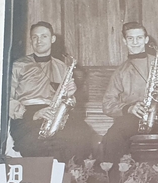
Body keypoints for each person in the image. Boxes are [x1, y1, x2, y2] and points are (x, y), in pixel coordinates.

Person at [101, 22, 158, 166]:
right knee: (112, 137)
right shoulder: (120, 71)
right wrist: (128, 108)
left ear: (146, 39)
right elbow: (107, 104)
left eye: (139, 38)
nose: (135, 42)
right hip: (133, 117)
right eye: (130, 38)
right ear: (124, 41)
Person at [9, 21, 94, 162]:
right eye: (35, 37)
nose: (39, 41)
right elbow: (6, 100)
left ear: (52, 39)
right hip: (27, 116)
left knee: (82, 134)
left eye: (44, 36)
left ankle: (70, 179)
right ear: (30, 40)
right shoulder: (18, 65)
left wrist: (71, 94)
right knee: (40, 144)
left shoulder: (62, 66)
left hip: (55, 113)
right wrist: (32, 114)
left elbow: (67, 101)